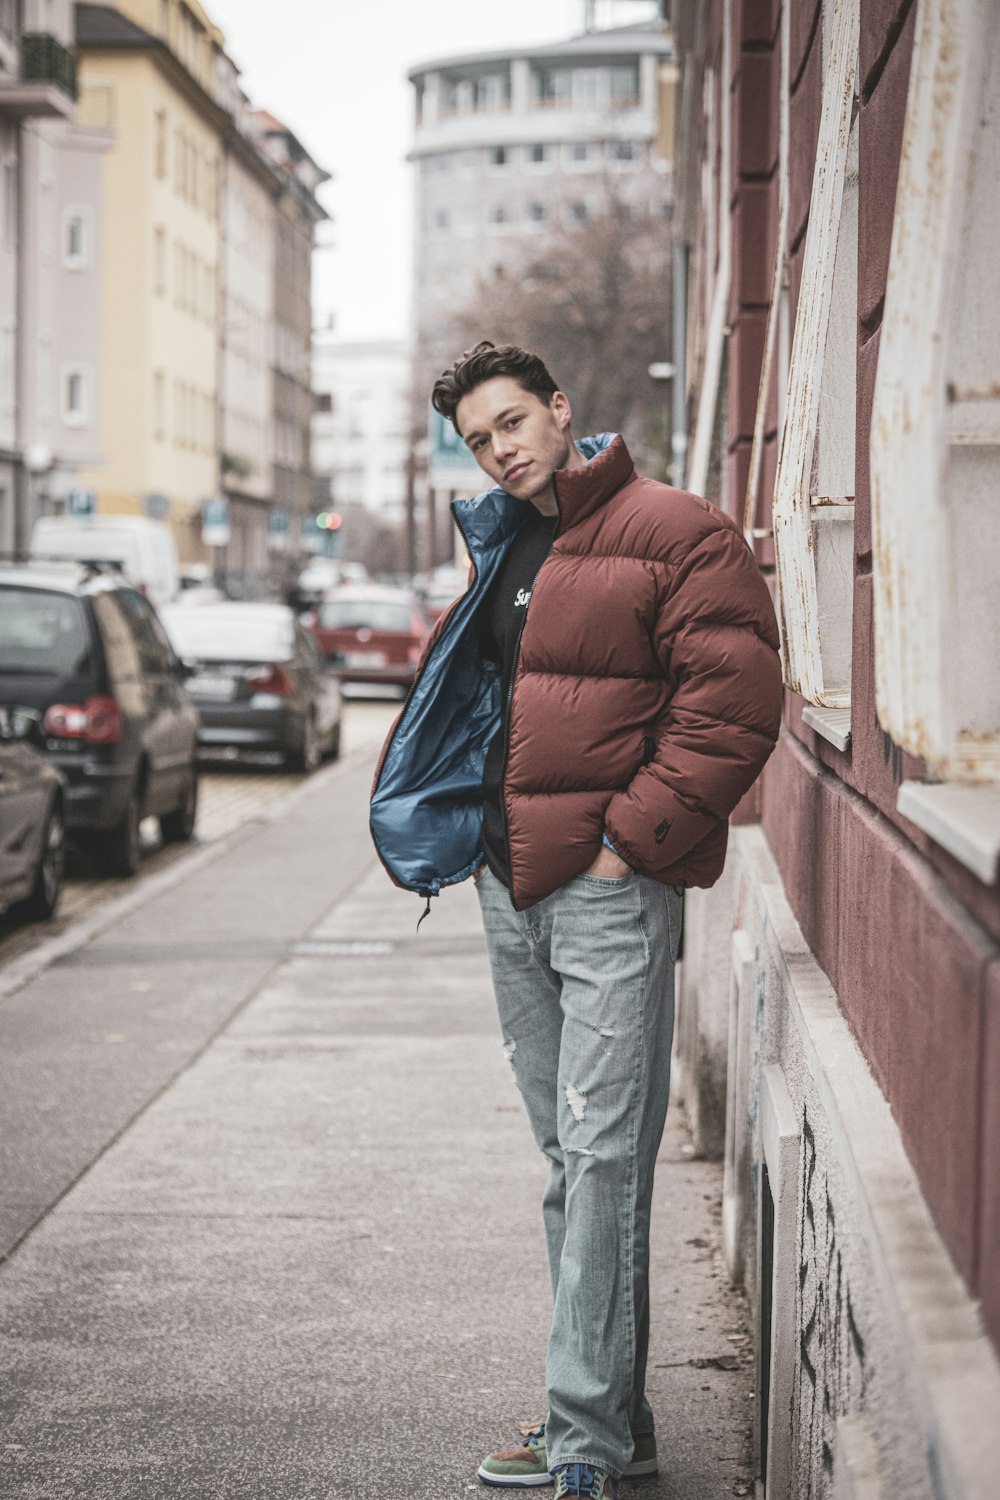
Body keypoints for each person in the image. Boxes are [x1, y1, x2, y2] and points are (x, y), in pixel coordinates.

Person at [370, 342, 783, 1500]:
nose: (500, 447)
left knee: (603, 1160)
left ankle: (584, 1442)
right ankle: (618, 1417)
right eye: (477, 439)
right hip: (512, 889)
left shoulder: (674, 528)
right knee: (570, 1163)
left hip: (606, 894)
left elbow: (738, 702)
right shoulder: (509, 543)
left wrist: (624, 845)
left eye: (512, 421)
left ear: (561, 409)